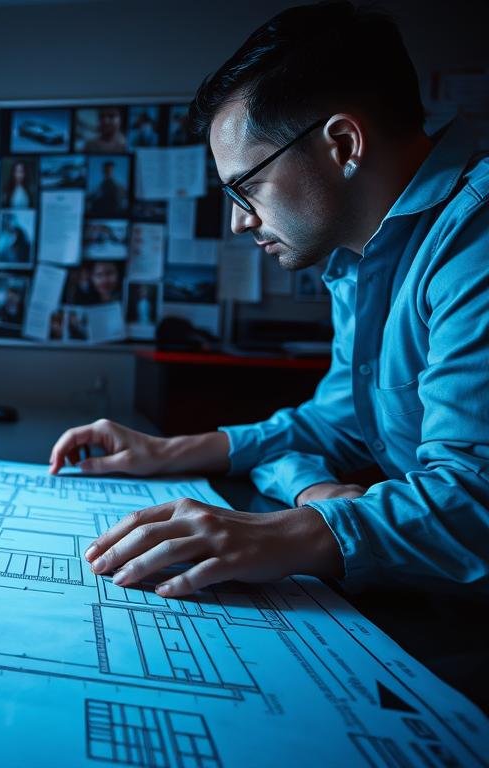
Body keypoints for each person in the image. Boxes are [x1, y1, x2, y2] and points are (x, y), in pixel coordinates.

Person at [49, 1, 489, 598]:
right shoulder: (357, 260)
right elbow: (335, 424)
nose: (238, 221)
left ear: (342, 143)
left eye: (247, 186)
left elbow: (473, 497)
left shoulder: (475, 237)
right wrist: (166, 451)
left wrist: (283, 534)